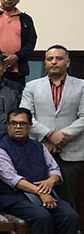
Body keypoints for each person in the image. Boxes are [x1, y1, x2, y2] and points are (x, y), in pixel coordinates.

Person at [0, 108, 84, 234]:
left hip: (45, 194)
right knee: (41, 216)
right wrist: (41, 192)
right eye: (14, 123)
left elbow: (54, 169)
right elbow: (12, 179)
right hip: (13, 197)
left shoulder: (39, 146)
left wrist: (51, 180)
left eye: (22, 124)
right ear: (7, 126)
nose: (18, 127)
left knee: (70, 216)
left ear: (30, 126)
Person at [21, 45, 84, 212]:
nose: (54, 62)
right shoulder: (32, 86)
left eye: (59, 58)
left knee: (71, 202)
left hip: (71, 152)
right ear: (45, 62)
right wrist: (49, 135)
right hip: (41, 149)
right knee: (39, 198)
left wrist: (61, 136)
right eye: (50, 59)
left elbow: (83, 117)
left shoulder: (81, 86)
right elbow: (26, 116)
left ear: (68, 62)